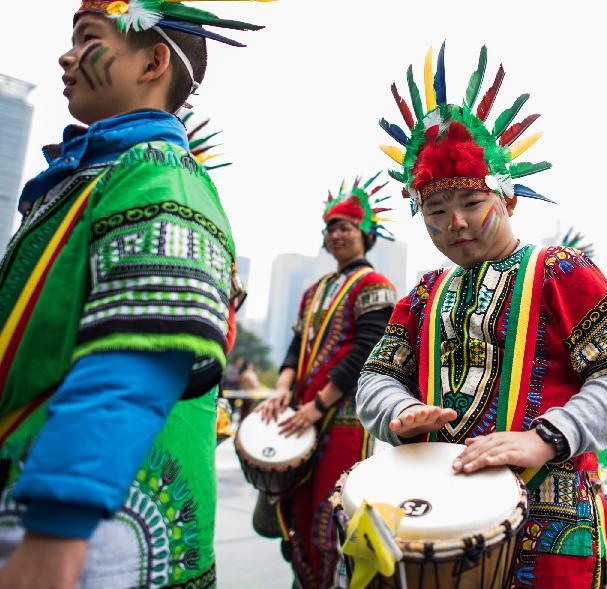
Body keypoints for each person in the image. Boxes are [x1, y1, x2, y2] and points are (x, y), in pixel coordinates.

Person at [358, 43, 607, 588]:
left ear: (509, 200)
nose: (455, 224)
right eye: (436, 211)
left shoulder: (561, 272)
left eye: (472, 204)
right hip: (438, 511)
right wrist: (399, 412)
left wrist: (546, 437)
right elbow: (375, 376)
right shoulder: (423, 293)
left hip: (552, 516)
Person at [0, 2, 266, 587]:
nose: (65, 55)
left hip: (84, 529)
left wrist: (56, 533)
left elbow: (141, 352)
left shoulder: (159, 174)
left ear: (152, 61)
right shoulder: (99, 174)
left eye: (87, 38)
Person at [256, 176, 397, 588]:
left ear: (365, 235)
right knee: (298, 510)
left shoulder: (376, 286)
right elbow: (297, 343)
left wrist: (319, 405)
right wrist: (282, 387)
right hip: (303, 411)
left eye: (346, 227)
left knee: (333, 513)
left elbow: (365, 351)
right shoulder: (314, 290)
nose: (337, 234)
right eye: (331, 228)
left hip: (345, 420)